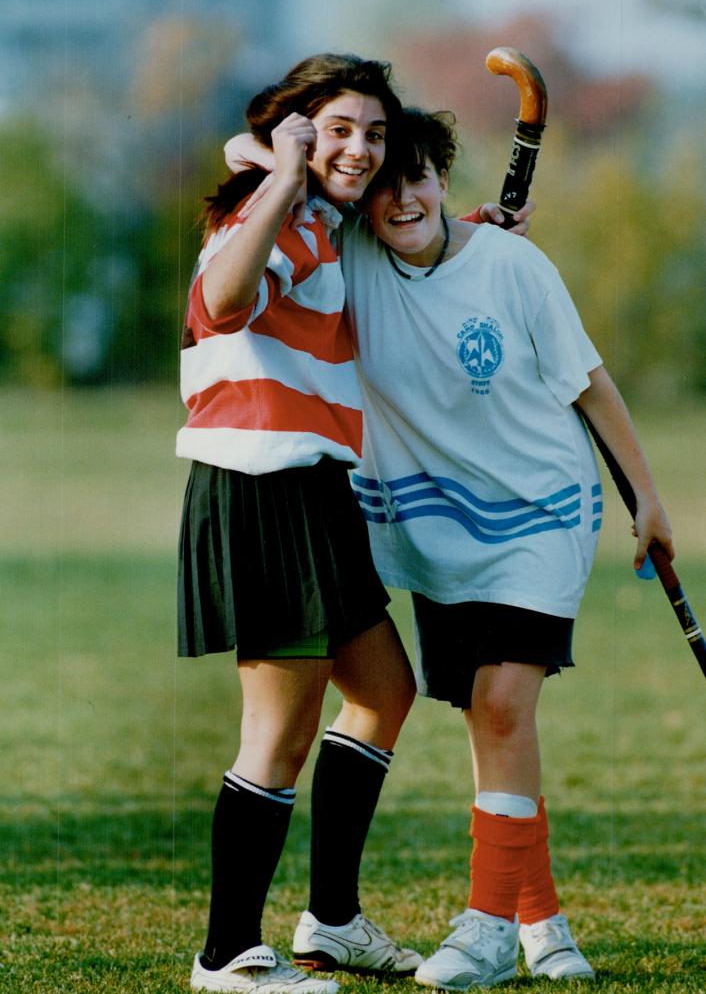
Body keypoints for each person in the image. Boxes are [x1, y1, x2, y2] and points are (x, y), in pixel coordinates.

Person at [336, 107, 674, 988]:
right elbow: (264, 168)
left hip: (542, 510)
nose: (403, 198)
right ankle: (542, 919)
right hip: (435, 526)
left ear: (445, 183)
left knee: (501, 706)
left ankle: (484, 930)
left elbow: (589, 385)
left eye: (418, 179)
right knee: (493, 726)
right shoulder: (351, 263)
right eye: (384, 186)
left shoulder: (515, 265)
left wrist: (648, 496)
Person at [177, 53, 424, 994]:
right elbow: (223, 304)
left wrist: (477, 229)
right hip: (259, 483)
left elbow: (398, 238)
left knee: (383, 690)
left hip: (314, 486)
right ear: (295, 133)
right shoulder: (270, 214)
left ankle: (331, 920)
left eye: (375, 132)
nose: (361, 148)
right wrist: (277, 172)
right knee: (277, 736)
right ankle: (227, 955)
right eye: (339, 129)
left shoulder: (321, 218)